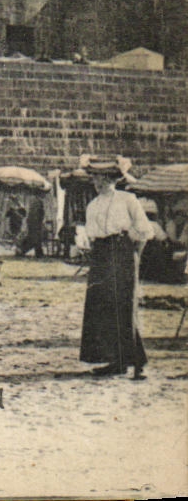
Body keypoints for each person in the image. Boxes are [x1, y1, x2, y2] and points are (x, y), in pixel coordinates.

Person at [79, 158, 152, 379]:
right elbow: (92, 235)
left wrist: (133, 254)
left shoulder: (128, 199)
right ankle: (114, 360)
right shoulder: (93, 205)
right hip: (101, 254)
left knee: (124, 305)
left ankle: (137, 362)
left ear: (111, 178)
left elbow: (144, 231)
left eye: (100, 177)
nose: (96, 182)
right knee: (102, 306)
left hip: (122, 252)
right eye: (93, 177)